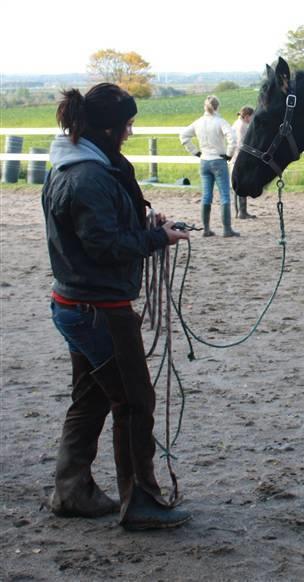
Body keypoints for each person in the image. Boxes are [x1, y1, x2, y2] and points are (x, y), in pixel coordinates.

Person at [42, 82, 192, 531]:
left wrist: (144, 222)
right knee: (133, 401)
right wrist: (155, 238)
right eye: (127, 124)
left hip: (77, 302)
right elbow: (104, 245)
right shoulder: (88, 177)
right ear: (109, 127)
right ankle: (140, 502)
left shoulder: (71, 167)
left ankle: (72, 490)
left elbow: (95, 231)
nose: (129, 132)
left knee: (90, 398)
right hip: (100, 309)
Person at [179, 95, 239, 237]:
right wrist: (229, 154)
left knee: (206, 195)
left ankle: (206, 229)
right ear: (217, 107)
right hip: (218, 160)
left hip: (204, 161)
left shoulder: (198, 122)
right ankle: (227, 229)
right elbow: (233, 139)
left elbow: (183, 136)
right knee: (224, 194)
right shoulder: (220, 122)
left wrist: (195, 152)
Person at [231, 106, 256, 219]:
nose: (253, 119)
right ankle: (242, 212)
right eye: (252, 117)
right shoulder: (242, 126)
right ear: (246, 116)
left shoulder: (236, 123)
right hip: (240, 158)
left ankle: (238, 211)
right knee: (242, 184)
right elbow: (242, 144)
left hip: (235, 157)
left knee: (237, 185)